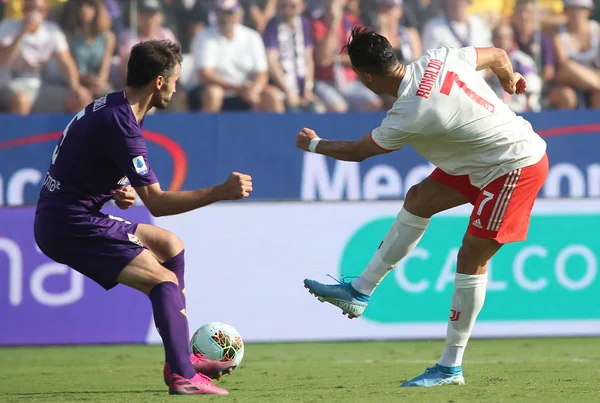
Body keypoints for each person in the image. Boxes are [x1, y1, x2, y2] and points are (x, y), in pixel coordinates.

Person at [298, 28, 548, 387]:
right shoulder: (439, 57)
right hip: (480, 160)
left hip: (514, 165)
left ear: (367, 77)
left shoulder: (410, 111)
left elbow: (356, 152)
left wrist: (313, 144)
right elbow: (497, 55)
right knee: (420, 198)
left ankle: (450, 366)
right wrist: (510, 80)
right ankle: (360, 291)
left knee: (471, 257)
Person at [34, 40, 253, 396]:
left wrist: (116, 188)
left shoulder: (114, 107)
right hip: (69, 224)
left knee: (169, 244)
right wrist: (220, 191)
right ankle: (183, 374)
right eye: (176, 79)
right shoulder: (121, 122)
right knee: (163, 281)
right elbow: (159, 204)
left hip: (70, 213)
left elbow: (84, 161)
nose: (179, 87)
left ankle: (178, 358)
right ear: (160, 82)